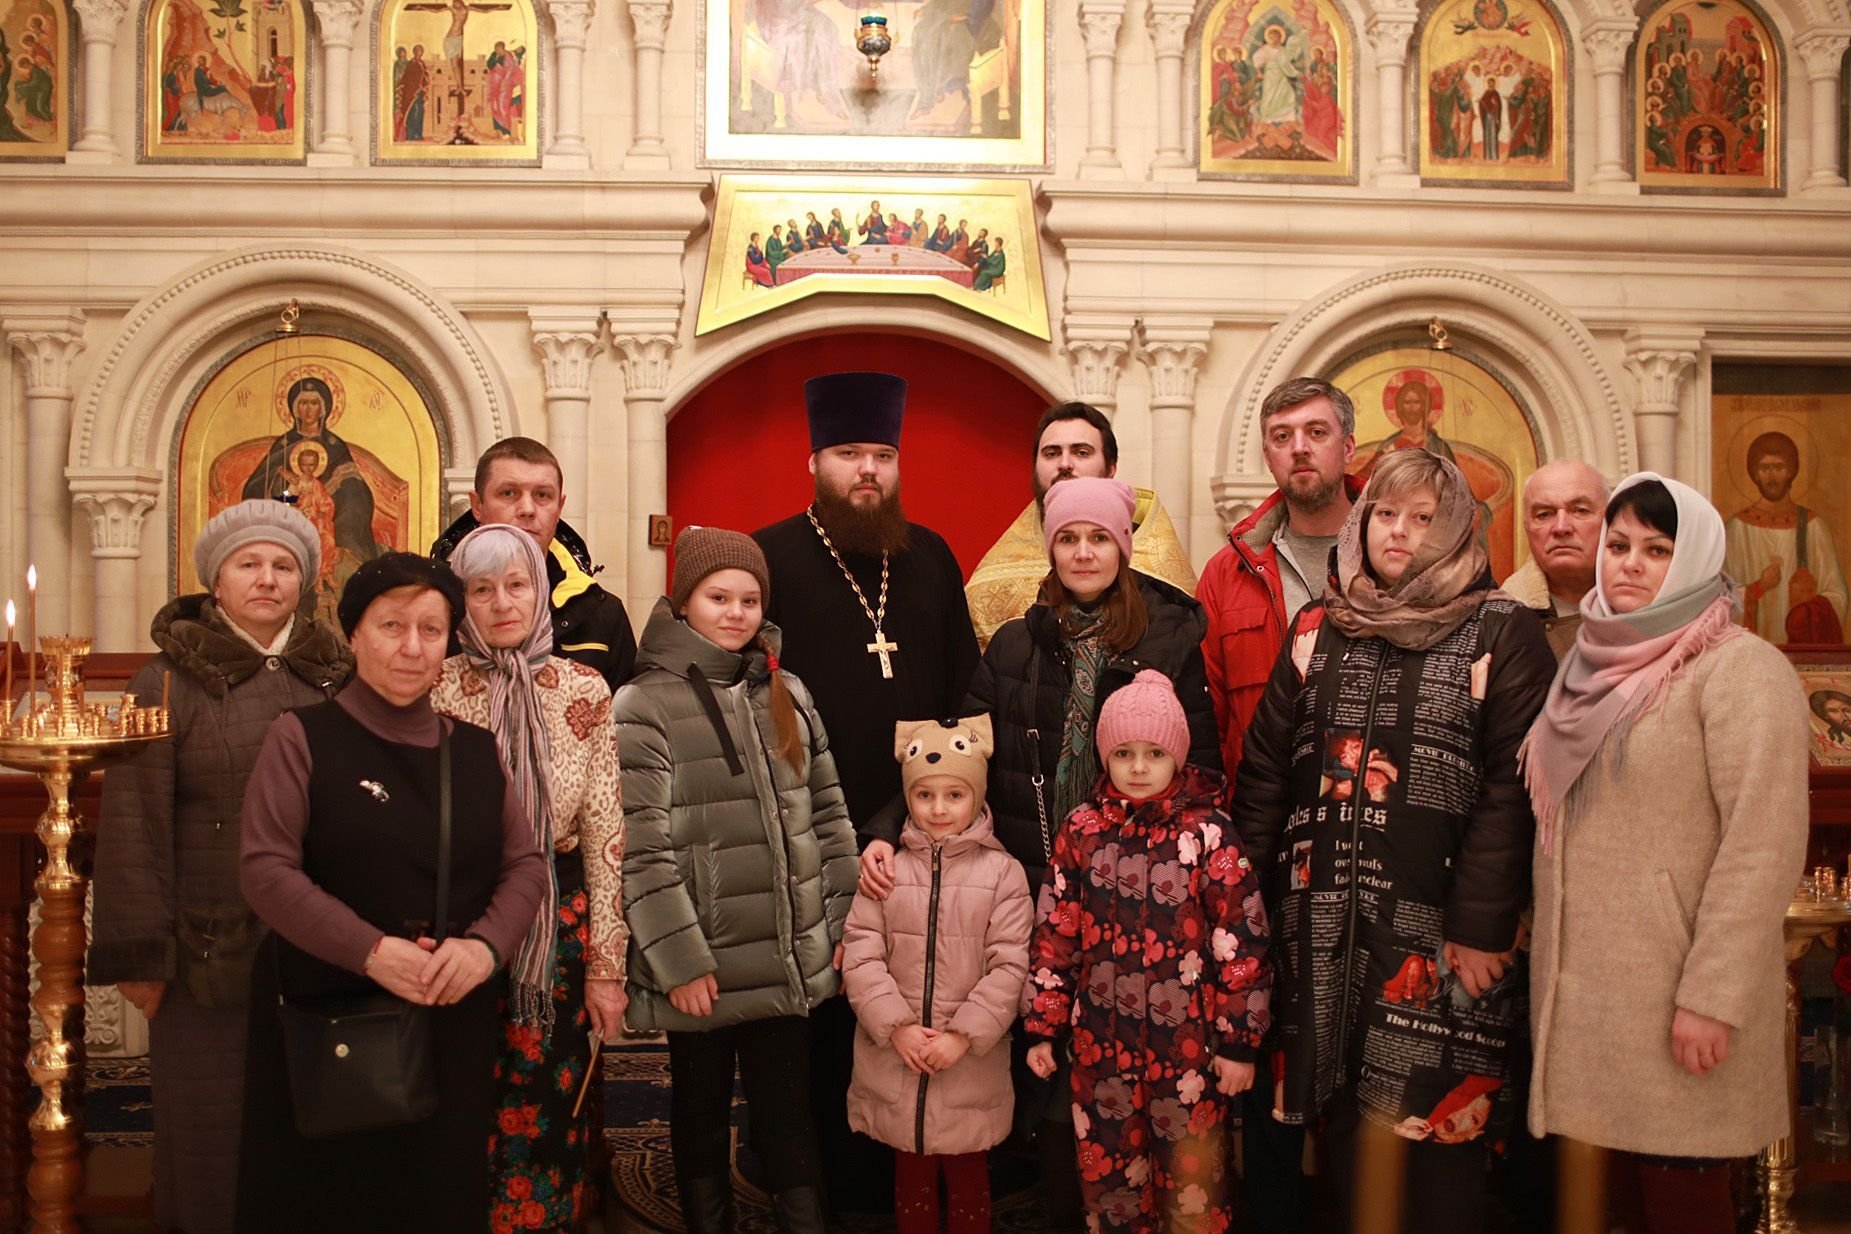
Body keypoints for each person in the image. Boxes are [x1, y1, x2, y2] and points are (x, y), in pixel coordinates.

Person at [863, 476, 1222, 1232]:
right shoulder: (1017, 643)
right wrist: (888, 824)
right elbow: (960, 744)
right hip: (1034, 879)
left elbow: (1200, 768)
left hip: (1137, 893)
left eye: (1098, 538)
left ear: (1122, 547)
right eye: (1068, 538)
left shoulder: (1168, 635)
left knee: (1122, 1071)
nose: (1083, 552)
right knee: (1046, 1065)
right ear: (1050, 548)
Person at [1229, 449, 1555, 1230]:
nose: (1396, 532)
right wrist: (1242, 915)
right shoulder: (1319, 627)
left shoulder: (1500, 629)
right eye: (1383, 513)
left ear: (1457, 529)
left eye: (1420, 518)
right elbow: (1267, 772)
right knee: (1346, 1134)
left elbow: (1515, 785)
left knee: (1437, 1134)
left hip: (1444, 935)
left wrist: (1480, 925)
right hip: (1321, 925)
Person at [1523, 473, 1809, 1234]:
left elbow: (1762, 846)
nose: (1629, 563)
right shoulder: (1585, 667)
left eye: (1656, 550)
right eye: (1618, 545)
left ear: (1696, 561)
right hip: (1590, 999)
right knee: (1608, 1208)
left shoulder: (1740, 669)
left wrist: (1711, 997)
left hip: (1677, 991)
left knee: (1681, 1205)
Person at [235, 554, 550, 1233]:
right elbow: (266, 871)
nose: (413, 647)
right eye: (391, 626)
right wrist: (373, 951)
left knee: (434, 1196)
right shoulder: (301, 737)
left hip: (448, 1010)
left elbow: (525, 865)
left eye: (431, 630)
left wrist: (483, 948)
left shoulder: (475, 750)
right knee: (323, 1203)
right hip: (328, 1012)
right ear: (353, 633)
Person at [91, 502, 352, 1234]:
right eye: (249, 564)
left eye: (284, 565)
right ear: (216, 580)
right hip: (208, 952)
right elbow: (135, 822)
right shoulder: (164, 682)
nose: (267, 579)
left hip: (320, 950)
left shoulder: (338, 677)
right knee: (213, 1138)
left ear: (305, 580)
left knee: (317, 1126)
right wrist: (142, 959)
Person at [754, 371, 979, 1211]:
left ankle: (897, 1169)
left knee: (908, 996)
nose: (867, 470)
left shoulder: (930, 557)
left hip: (917, 826)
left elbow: (963, 696)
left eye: (881, 454)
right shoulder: (769, 557)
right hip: (801, 830)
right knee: (812, 1006)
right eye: (848, 453)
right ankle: (808, 1173)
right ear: (814, 461)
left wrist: (907, 816)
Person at [617, 528, 859, 1234]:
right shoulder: (642, 704)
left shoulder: (787, 691)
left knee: (787, 1111)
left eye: (749, 600)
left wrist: (844, 922)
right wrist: (679, 961)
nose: (736, 613)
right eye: (718, 597)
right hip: (703, 962)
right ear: (683, 604)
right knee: (698, 1107)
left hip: (786, 952)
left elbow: (828, 814)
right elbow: (640, 848)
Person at [1024, 671, 1270, 1232]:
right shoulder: (1081, 831)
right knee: (1110, 1186)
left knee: (1193, 1187)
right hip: (1100, 1051)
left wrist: (1240, 1042)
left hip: (1188, 1052)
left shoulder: (1208, 833)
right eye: (1124, 753)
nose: (1138, 767)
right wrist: (1043, 1025)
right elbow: (1055, 935)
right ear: (1105, 757)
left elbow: (1243, 941)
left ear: (1176, 757)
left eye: (1154, 753)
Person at [431, 524, 625, 1233]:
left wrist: (607, 967)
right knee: (456, 1099)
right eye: (481, 590)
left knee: (549, 1102)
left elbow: (606, 834)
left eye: (517, 585)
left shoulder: (584, 688)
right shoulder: (435, 685)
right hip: (456, 926)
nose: (502, 603)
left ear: (540, 589)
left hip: (557, 926)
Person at [842, 716, 1032, 1234]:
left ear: (977, 796)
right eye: (924, 795)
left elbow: (1010, 965)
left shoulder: (1003, 874)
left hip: (967, 1063)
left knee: (969, 1175)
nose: (939, 808)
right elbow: (861, 953)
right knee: (911, 1173)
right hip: (898, 1057)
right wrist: (897, 1027)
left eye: (954, 795)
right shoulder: (887, 870)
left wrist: (962, 1036)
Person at [966, 401, 1195, 650]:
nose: (1065, 463)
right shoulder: (995, 574)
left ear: (1111, 468)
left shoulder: (1161, 578)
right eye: (1051, 453)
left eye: (1081, 452)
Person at [433, 436, 637, 691]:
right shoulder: (435, 604)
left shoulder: (601, 613)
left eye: (542, 495)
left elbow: (620, 713)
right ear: (477, 505)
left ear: (559, 507)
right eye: (509, 493)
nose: (527, 509)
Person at [241, 375, 381, 587]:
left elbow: (354, 495)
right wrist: (289, 503)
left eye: (314, 403)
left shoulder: (335, 447)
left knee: (328, 542)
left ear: (323, 409)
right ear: (295, 409)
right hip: (291, 519)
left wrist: (330, 518)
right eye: (303, 403)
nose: (308, 409)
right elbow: (262, 489)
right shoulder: (283, 446)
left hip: (327, 524)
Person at [1723, 430, 1847, 643]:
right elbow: (1721, 597)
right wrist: (1758, 588)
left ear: (1791, 471)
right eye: (1764, 468)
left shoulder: (1813, 527)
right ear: (1755, 474)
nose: (1771, 476)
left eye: (1779, 467)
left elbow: (1837, 594)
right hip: (1752, 652)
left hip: (1800, 652)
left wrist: (1811, 607)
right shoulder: (1737, 528)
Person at [1500, 461, 1609, 659]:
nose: (1561, 527)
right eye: (1544, 514)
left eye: (1580, 510)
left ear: (1610, 521)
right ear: (1526, 528)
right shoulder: (1500, 617)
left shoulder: (1646, 603)